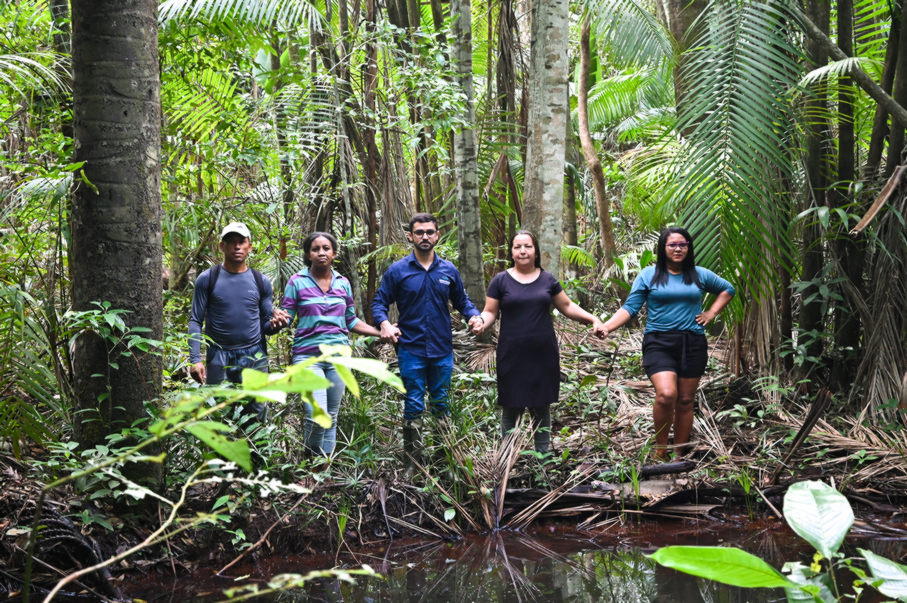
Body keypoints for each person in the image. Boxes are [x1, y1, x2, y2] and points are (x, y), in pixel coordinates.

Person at [600, 227, 735, 461]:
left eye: (683, 244)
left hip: (692, 343)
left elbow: (728, 289)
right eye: (672, 245)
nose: (678, 249)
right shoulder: (648, 275)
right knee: (665, 394)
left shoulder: (699, 274)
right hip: (658, 342)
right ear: (663, 249)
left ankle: (679, 454)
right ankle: (660, 449)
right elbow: (631, 308)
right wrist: (607, 326)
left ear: (688, 248)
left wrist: (712, 312)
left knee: (685, 400)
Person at [471, 230, 607, 455]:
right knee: (511, 407)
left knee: (541, 406)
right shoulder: (500, 280)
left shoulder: (548, 279)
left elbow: (567, 306)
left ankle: (542, 461)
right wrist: (481, 323)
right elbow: (490, 312)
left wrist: (593, 318)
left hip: (543, 354)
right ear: (511, 252)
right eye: (517, 247)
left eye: (527, 246)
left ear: (536, 251)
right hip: (511, 354)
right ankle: (506, 461)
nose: (522, 251)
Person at [371, 213, 484, 470]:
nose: (425, 236)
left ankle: (444, 461)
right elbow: (379, 302)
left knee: (441, 402)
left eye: (430, 232)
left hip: (442, 348)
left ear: (437, 235)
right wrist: (385, 323)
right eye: (419, 232)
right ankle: (413, 462)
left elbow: (462, 301)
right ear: (410, 236)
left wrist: (474, 317)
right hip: (410, 347)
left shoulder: (448, 270)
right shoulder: (398, 270)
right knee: (413, 402)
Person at [281, 232, 385, 457]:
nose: (321, 253)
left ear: (334, 253)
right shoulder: (296, 281)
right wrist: (275, 319)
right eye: (315, 249)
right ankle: (310, 460)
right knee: (317, 416)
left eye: (326, 248)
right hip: (308, 356)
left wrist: (378, 332)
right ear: (308, 254)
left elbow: (351, 320)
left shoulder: (343, 283)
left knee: (332, 415)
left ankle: (324, 467)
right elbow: (287, 316)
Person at [188, 222, 290, 423]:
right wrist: (194, 359)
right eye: (231, 242)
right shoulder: (207, 279)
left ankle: (255, 455)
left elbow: (266, 326)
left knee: (257, 421)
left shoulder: (261, 281)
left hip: (254, 356)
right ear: (221, 246)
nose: (237, 247)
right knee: (219, 420)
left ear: (250, 246)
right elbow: (195, 320)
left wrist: (280, 323)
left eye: (242, 242)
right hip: (219, 356)